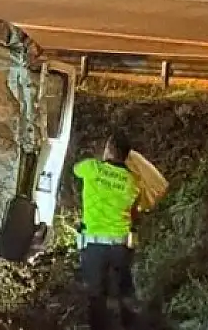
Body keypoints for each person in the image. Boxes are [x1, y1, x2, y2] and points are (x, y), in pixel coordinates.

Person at [73, 133, 142, 330]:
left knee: (96, 297)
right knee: (124, 293)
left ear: (108, 149)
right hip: (121, 246)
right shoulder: (133, 181)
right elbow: (134, 213)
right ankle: (131, 325)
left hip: (94, 247)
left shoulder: (92, 168)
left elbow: (75, 169)